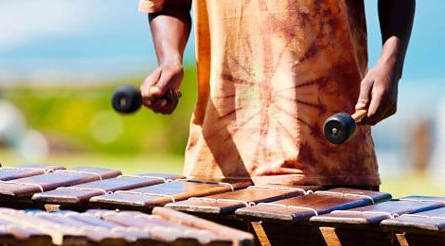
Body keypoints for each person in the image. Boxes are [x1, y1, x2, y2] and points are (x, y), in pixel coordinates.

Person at [137, 0, 414, 189]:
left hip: (331, 154)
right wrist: (169, 59)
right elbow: (167, 3)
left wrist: (391, 62)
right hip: (222, 159)